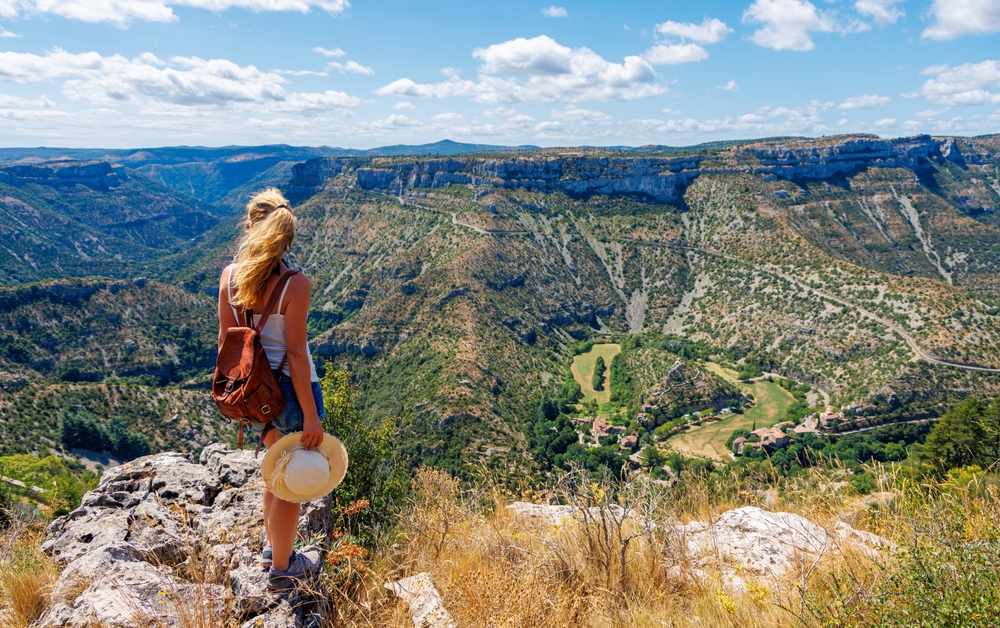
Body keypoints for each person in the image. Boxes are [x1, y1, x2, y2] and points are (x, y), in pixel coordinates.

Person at [217, 187, 325, 590]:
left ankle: (271, 549)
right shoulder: (295, 285)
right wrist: (311, 416)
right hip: (292, 391)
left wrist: (243, 404)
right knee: (291, 482)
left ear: (251, 228)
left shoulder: (230, 279)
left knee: (273, 473)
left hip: (252, 387)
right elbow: (296, 355)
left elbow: (227, 345)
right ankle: (283, 569)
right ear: (286, 238)